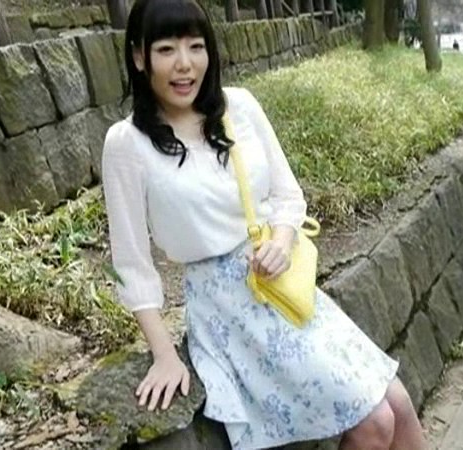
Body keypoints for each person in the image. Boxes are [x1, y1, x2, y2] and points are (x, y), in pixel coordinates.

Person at [101, 0, 427, 448]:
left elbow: (288, 196)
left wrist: (282, 240)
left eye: (196, 46)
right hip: (227, 311)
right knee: (375, 422)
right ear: (139, 57)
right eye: (166, 50)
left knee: (399, 405)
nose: (185, 64)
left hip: (282, 285)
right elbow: (132, 263)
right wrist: (163, 354)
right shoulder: (127, 143)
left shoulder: (238, 106)